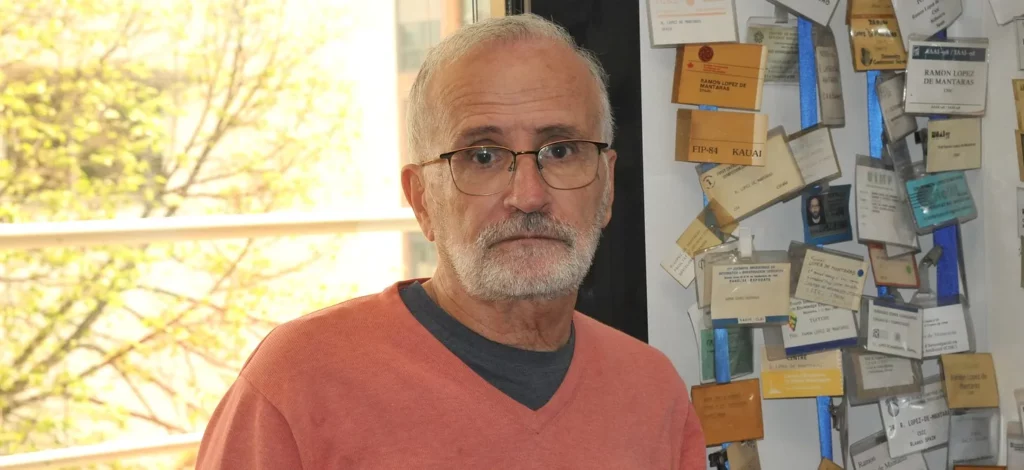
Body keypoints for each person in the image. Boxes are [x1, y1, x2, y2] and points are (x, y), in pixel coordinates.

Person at [196, 13, 705, 469]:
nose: (528, 196)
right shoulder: (299, 382)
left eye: (561, 150)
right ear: (421, 199)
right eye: (482, 156)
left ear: (606, 185)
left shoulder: (653, 391)